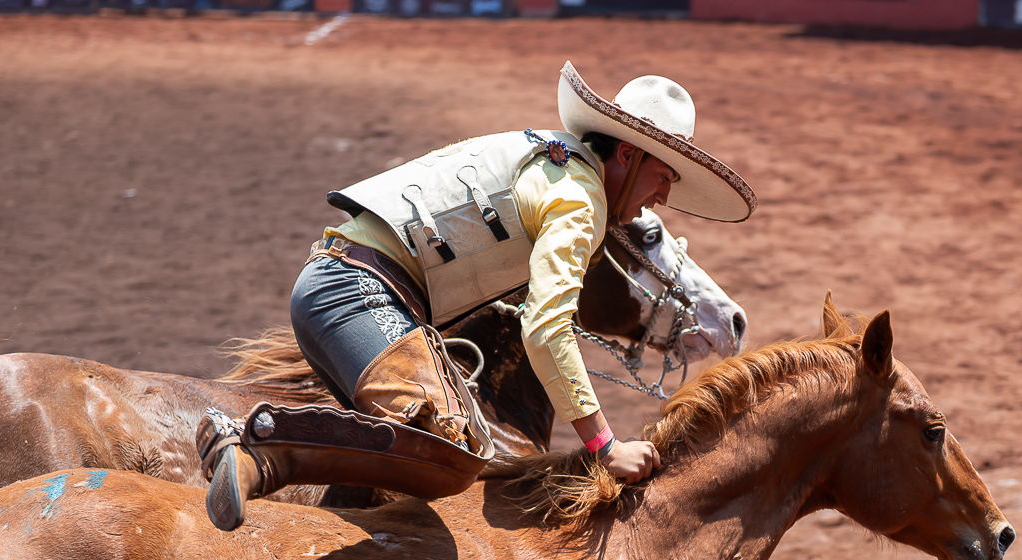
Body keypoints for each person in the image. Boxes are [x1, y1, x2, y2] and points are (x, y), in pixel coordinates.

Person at [196, 60, 756, 532]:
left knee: (400, 452)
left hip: (348, 284)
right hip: (359, 292)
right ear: (629, 155)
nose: (663, 195)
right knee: (454, 451)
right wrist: (605, 448)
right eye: (664, 174)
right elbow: (545, 329)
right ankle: (258, 452)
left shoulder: (554, 160)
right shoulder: (578, 199)